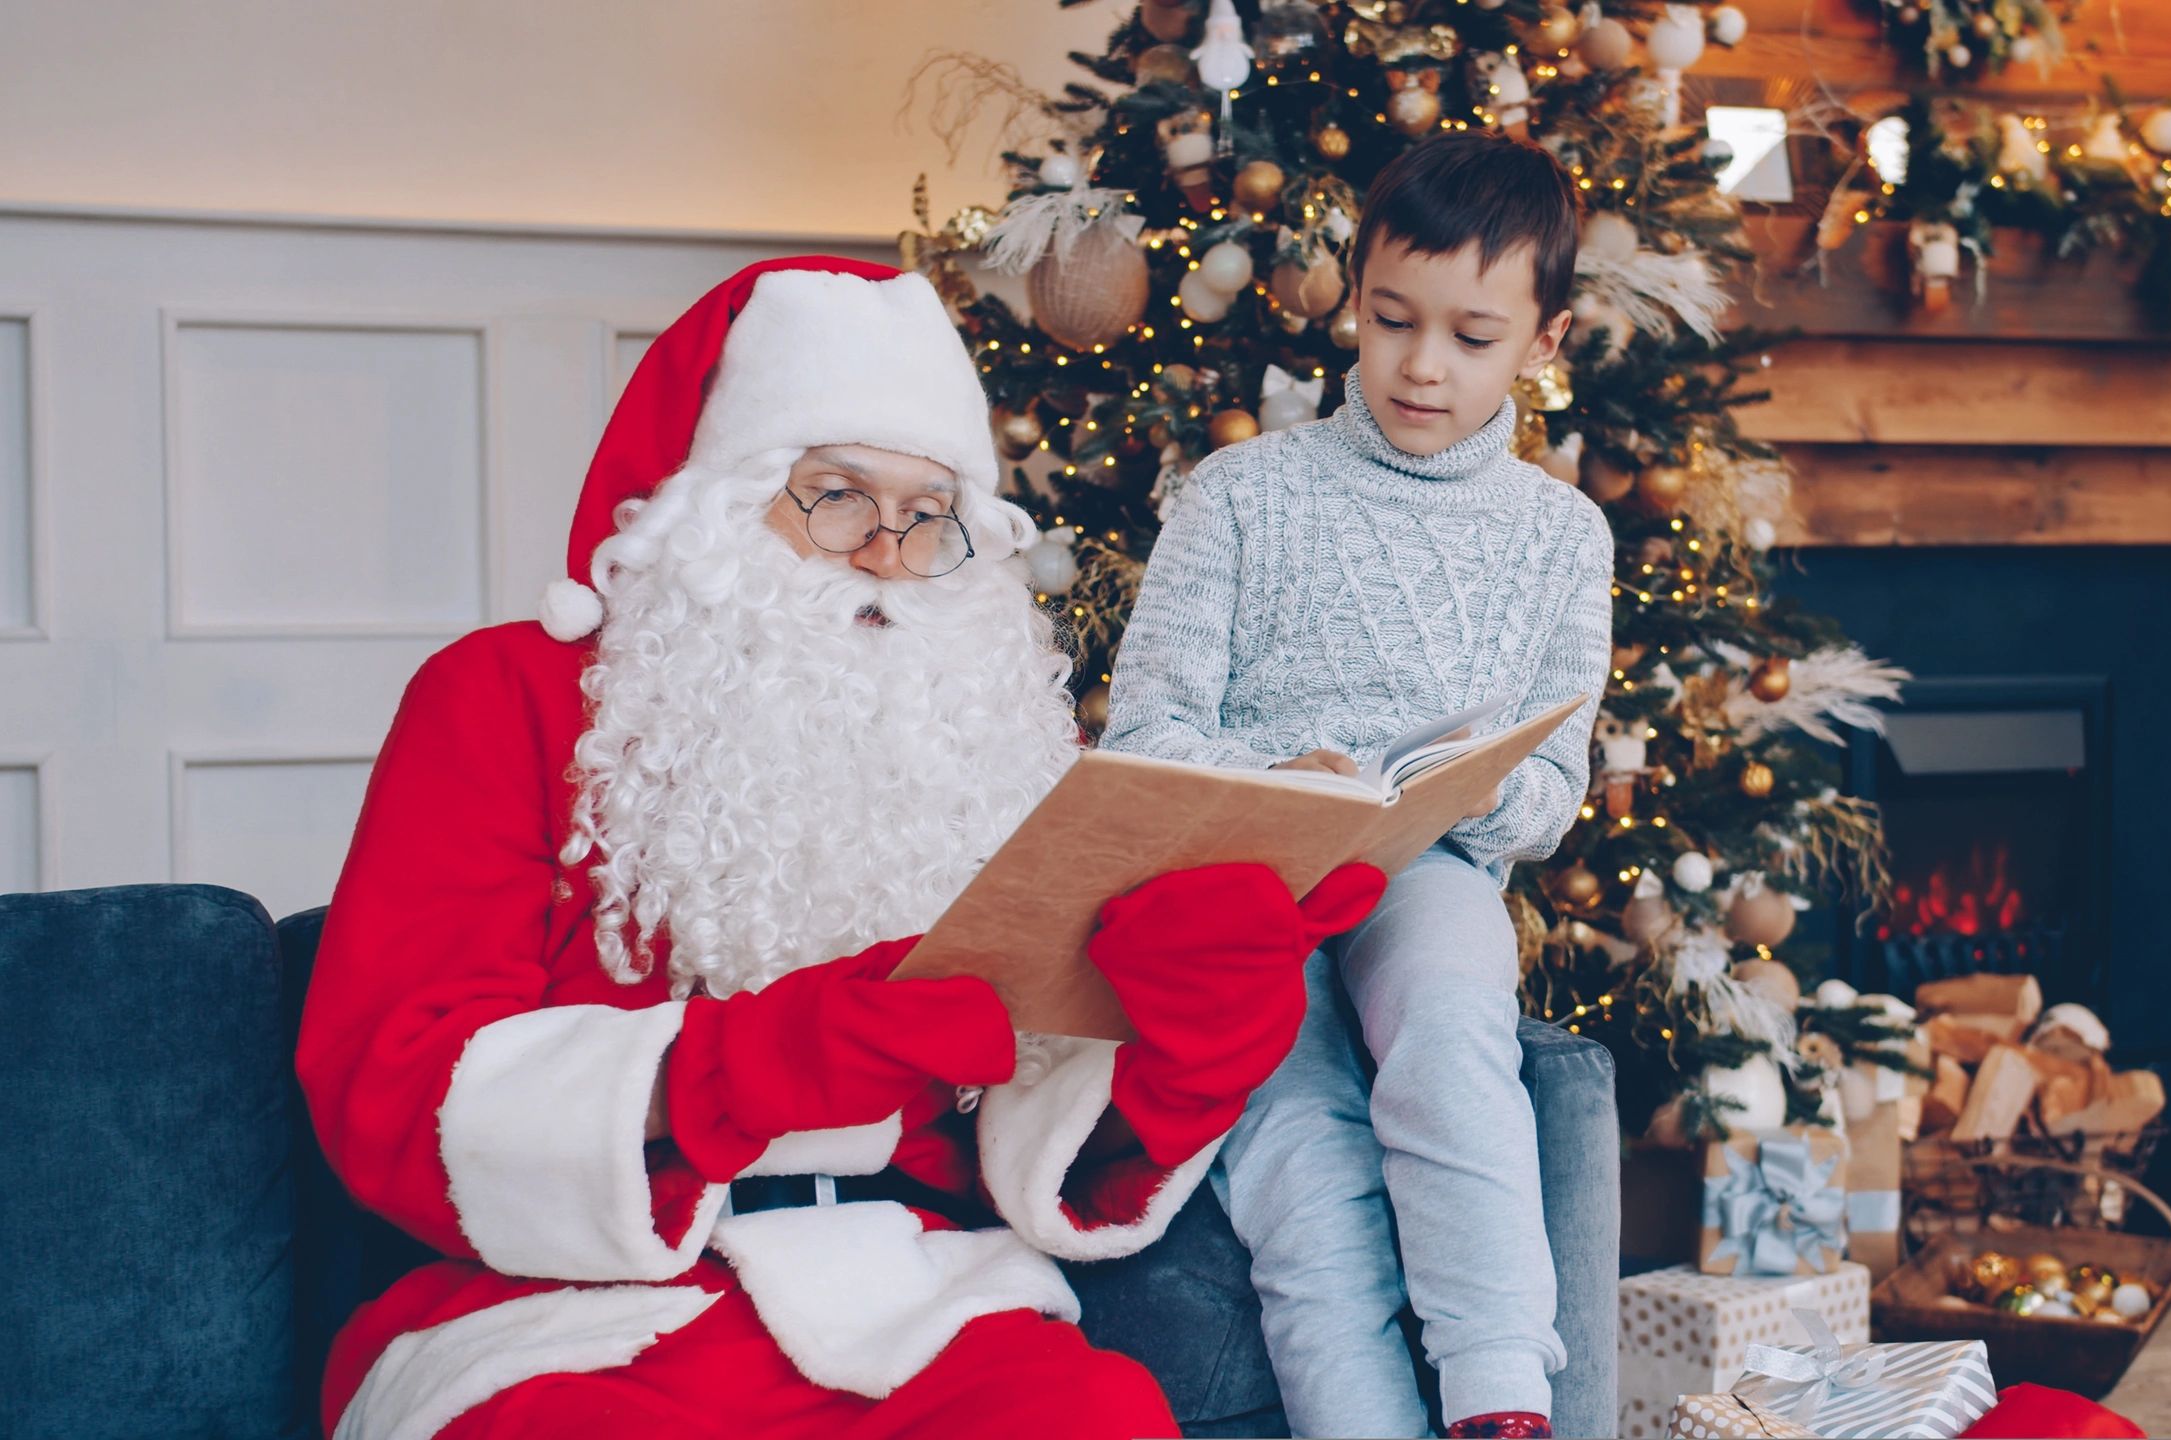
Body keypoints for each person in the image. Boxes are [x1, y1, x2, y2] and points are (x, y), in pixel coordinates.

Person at [298, 255, 1382, 1440]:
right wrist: (744, 1065)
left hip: (917, 1310)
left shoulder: (993, 743)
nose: (884, 550)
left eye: (929, 517)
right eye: (837, 496)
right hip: (571, 1323)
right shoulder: (502, 698)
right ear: (715, 504)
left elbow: (1025, 1137)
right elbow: (390, 1087)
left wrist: (1193, 1043)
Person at [1101, 133, 1614, 1440]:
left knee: (1449, 1020)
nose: (1423, 366)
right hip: (1244, 886)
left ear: (1545, 342)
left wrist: (1461, 791)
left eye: (1472, 336)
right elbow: (1149, 728)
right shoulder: (1239, 495)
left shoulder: (1563, 538)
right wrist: (1277, 783)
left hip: (1428, 864)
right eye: (1392, 321)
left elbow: (1550, 790)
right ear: (1355, 301)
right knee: (1306, 1169)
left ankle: (1502, 1400)